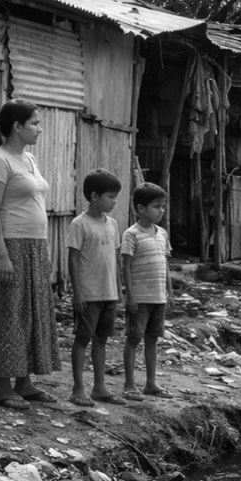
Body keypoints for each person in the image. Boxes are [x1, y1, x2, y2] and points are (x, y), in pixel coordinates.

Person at [0, 99, 60, 410]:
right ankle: (3, 386)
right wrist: (2, 255)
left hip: (35, 246)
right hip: (10, 245)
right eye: (34, 123)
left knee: (32, 311)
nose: (39, 128)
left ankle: (25, 382)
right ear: (17, 127)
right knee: (9, 313)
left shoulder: (29, 159)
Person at [67, 168, 124, 407]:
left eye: (115, 197)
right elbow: (72, 259)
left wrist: (119, 289)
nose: (114, 201)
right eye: (110, 197)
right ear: (93, 197)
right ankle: (78, 388)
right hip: (89, 294)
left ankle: (99, 387)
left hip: (108, 292)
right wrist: (77, 292)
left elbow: (116, 258)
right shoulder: (80, 224)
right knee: (83, 338)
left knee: (102, 339)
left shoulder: (112, 224)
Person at [120, 182, 174, 400]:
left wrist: (170, 291)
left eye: (163, 206)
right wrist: (129, 295)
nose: (161, 210)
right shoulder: (131, 235)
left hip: (158, 296)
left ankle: (151, 383)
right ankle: (129, 384)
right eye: (157, 206)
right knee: (134, 338)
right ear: (141, 209)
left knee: (153, 339)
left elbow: (165, 263)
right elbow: (125, 266)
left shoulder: (162, 234)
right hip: (140, 298)